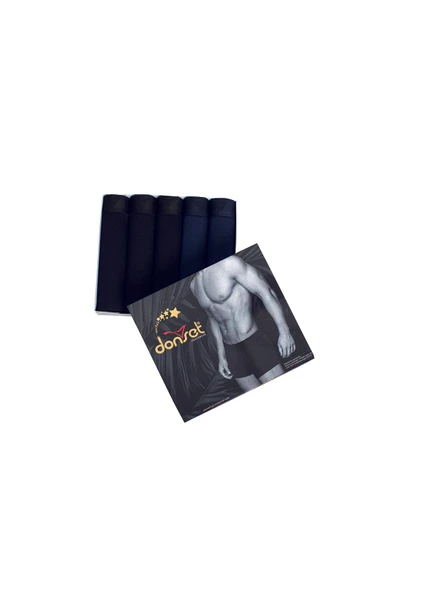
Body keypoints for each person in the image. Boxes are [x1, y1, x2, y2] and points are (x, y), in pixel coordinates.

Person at [190, 255, 296, 391]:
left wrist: (284, 332)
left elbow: (266, 292)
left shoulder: (228, 263)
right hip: (231, 351)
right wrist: (222, 356)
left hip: (253, 342)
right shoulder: (194, 284)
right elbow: (213, 319)